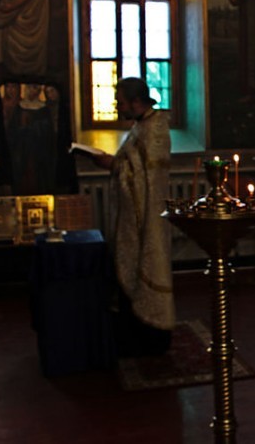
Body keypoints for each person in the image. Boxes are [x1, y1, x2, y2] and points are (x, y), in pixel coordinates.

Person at [93, 77, 174, 357]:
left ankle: (152, 338)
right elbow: (132, 167)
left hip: (147, 217)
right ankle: (133, 337)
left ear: (137, 101)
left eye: (121, 101)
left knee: (149, 266)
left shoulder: (156, 129)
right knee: (130, 271)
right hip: (134, 216)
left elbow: (146, 178)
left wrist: (114, 165)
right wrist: (114, 164)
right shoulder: (141, 126)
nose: (118, 106)